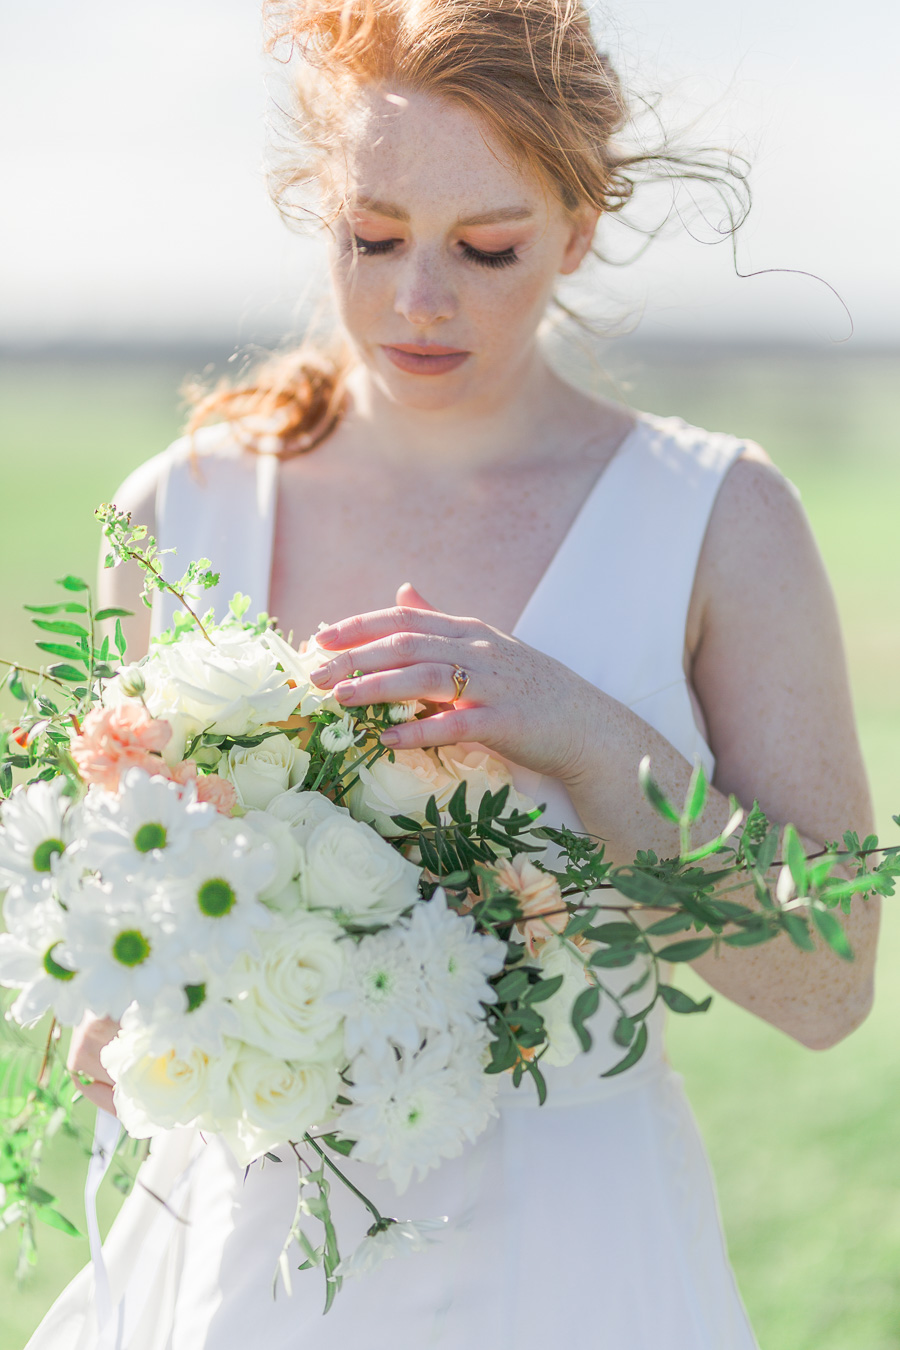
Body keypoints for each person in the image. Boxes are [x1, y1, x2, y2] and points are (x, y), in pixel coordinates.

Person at [31, 0, 878, 1345]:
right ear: (319, 207)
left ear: (579, 230)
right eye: (372, 238)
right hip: (249, 1272)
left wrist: (592, 742)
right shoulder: (180, 509)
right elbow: (102, 932)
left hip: (578, 1257)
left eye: (488, 249)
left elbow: (831, 987)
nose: (418, 299)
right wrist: (122, 1003)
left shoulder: (720, 517)